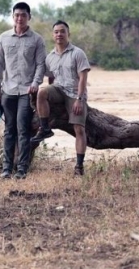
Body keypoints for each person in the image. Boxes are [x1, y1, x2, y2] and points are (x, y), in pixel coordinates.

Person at [0, 2, 46, 180]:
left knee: (23, 129)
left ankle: (22, 168)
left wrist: (36, 83)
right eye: (16, 15)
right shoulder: (4, 38)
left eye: (23, 15)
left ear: (29, 17)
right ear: (12, 17)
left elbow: (40, 64)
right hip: (8, 90)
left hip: (26, 92)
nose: (19, 18)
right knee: (9, 130)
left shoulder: (36, 39)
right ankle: (6, 168)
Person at [31, 20, 91, 176]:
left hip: (74, 93)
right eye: (56, 32)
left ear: (68, 34)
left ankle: (79, 166)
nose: (59, 34)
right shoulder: (50, 57)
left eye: (62, 31)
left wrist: (79, 99)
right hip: (59, 89)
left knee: (79, 129)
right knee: (42, 92)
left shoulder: (77, 53)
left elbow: (83, 78)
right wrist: (51, 93)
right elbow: (51, 78)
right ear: (53, 35)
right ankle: (44, 128)